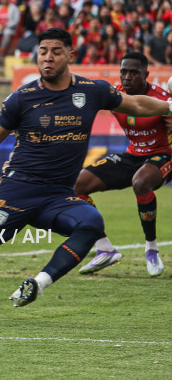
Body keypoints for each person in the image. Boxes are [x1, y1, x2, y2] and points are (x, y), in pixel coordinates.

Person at [0, 28, 172, 314]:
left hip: (57, 198)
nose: (48, 58)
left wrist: (168, 107)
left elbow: (136, 103)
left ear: (71, 55)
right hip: (15, 194)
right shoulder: (22, 98)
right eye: (43, 52)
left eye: (56, 52)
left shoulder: (92, 90)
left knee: (91, 223)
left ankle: (38, 283)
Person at [75, 52, 170, 277]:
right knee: (77, 185)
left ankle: (151, 249)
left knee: (140, 182)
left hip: (163, 155)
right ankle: (105, 249)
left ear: (146, 75)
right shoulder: (114, 94)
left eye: (133, 72)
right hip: (133, 155)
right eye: (123, 71)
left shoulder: (162, 100)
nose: (127, 77)